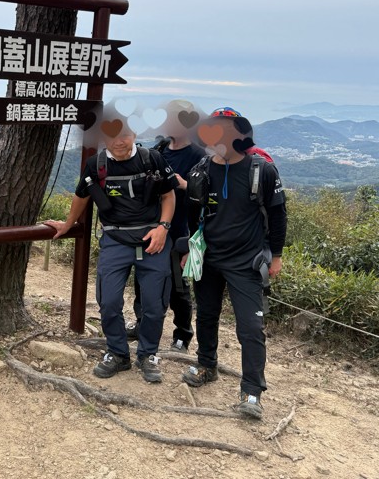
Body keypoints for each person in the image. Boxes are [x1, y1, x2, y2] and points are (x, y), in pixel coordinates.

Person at [46, 119, 178, 383]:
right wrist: (68, 223)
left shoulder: (151, 159)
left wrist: (163, 227)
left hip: (153, 239)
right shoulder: (97, 165)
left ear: (134, 134)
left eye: (124, 135)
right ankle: (118, 353)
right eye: (112, 136)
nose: (119, 141)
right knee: (108, 302)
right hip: (115, 239)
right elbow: (81, 195)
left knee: (154, 304)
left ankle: (148, 354)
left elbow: (168, 195)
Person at [181, 107, 287, 419]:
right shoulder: (201, 168)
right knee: (207, 316)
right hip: (208, 258)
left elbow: (278, 215)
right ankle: (206, 366)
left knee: (251, 327)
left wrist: (276, 256)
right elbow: (192, 211)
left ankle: (252, 391)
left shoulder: (262, 170)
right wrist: (190, 246)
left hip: (247, 262)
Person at [128, 102, 206, 353]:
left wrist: (184, 185)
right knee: (143, 278)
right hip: (151, 227)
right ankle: (142, 324)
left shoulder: (198, 154)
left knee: (178, 286)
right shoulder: (160, 148)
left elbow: (208, 194)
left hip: (180, 229)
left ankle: (182, 335)